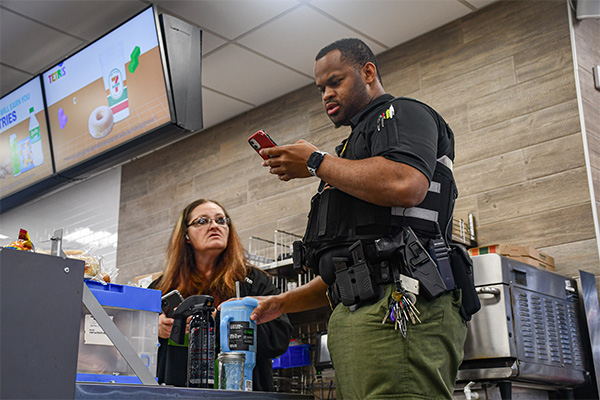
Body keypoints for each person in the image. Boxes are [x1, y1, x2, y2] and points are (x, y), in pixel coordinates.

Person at [251, 38, 468, 399]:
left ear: (368, 72)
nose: (326, 94)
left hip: (402, 308)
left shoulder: (404, 113)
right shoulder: (352, 153)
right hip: (362, 314)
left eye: (335, 81)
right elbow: (356, 262)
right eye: (321, 88)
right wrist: (283, 303)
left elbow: (406, 183)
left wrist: (315, 161)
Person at [149, 199, 293, 391]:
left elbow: (279, 336)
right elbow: (132, 339)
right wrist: (154, 329)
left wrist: (223, 324)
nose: (214, 226)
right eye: (202, 221)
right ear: (186, 235)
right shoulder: (162, 288)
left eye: (221, 220)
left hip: (242, 392)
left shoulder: (253, 281)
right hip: (178, 393)